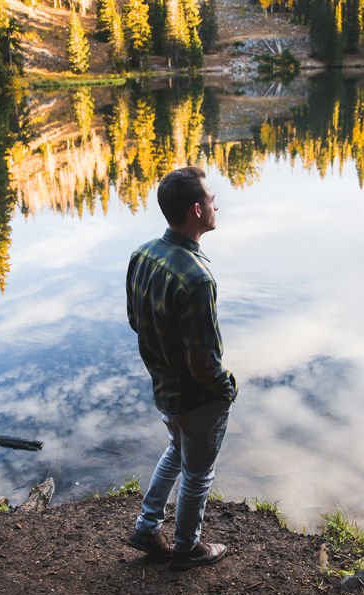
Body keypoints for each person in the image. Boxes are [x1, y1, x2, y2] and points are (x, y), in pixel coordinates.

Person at [125, 166, 238, 571]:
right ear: (196, 209)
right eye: (210, 200)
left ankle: (146, 526)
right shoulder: (197, 279)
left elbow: (136, 320)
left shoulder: (142, 255)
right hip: (196, 398)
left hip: (164, 388)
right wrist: (227, 388)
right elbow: (203, 363)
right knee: (197, 475)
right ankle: (188, 549)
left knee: (177, 448)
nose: (215, 205)